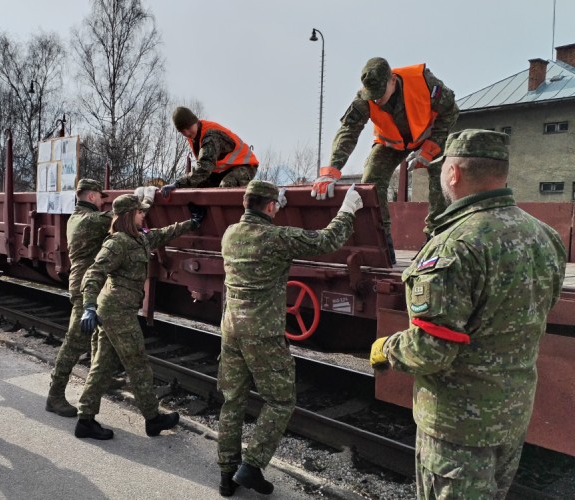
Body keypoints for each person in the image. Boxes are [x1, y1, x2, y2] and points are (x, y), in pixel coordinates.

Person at [369, 130, 567, 499]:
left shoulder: (455, 245)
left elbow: (432, 349)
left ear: (454, 174)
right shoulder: (544, 235)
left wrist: (387, 347)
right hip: (511, 414)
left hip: (458, 428)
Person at [218, 180, 363, 496]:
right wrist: (348, 210)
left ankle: (226, 474)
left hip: (231, 327)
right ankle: (252, 465)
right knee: (281, 400)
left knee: (232, 399)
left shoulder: (230, 233)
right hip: (263, 332)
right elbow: (326, 241)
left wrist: (272, 209)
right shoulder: (276, 237)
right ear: (271, 207)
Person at [74, 194, 205, 440]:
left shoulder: (139, 238)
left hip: (118, 311)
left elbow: (163, 234)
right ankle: (153, 419)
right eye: (139, 212)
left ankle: (85, 420)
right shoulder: (117, 243)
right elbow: (94, 273)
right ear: (127, 215)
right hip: (115, 311)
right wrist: (88, 306)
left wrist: (192, 223)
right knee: (138, 364)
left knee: (102, 366)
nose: (143, 215)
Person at [312, 57, 459, 263]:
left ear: (392, 80)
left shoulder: (425, 82)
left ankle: (434, 237)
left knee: (440, 175)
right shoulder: (365, 99)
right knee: (371, 176)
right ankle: (381, 239)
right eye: (372, 97)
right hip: (392, 143)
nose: (376, 101)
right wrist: (331, 171)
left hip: (428, 136)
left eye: (380, 95)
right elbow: (348, 131)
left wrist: (429, 149)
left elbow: (451, 110)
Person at [45, 179, 112, 417]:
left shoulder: (76, 217)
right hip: (86, 287)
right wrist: (144, 199)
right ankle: (54, 396)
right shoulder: (88, 220)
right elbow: (118, 216)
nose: (104, 201)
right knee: (75, 341)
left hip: (88, 284)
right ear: (92, 197)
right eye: (101, 197)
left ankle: (98, 380)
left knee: (96, 337)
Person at [161, 107, 258, 197]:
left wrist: (178, 183)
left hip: (245, 166)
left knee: (227, 186)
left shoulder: (211, 136)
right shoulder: (194, 137)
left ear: (194, 121)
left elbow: (204, 168)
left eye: (188, 128)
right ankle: (199, 214)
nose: (187, 133)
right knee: (196, 185)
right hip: (223, 171)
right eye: (182, 131)